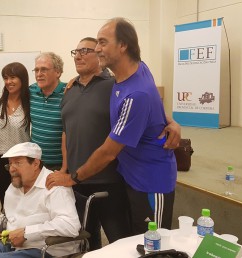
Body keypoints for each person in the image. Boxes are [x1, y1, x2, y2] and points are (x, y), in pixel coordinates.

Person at [46, 17, 179, 236]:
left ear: (123, 45)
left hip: (150, 182)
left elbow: (108, 152)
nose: (97, 49)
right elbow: (153, 102)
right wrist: (170, 120)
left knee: (154, 243)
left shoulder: (135, 94)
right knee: (134, 240)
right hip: (130, 175)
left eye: (102, 42)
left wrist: (72, 178)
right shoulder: (138, 69)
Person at [61, 37, 131, 250]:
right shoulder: (69, 90)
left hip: (108, 179)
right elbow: (66, 131)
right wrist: (65, 168)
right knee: (88, 241)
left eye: (85, 50)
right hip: (78, 181)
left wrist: (170, 122)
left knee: (121, 241)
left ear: (100, 55)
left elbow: (143, 103)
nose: (79, 55)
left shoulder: (114, 86)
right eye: (76, 51)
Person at [0, 142, 81, 258]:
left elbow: (70, 225)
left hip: (47, 250)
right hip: (14, 245)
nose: (11, 169)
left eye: (17, 163)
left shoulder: (55, 186)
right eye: (10, 164)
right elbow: (8, 217)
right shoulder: (15, 186)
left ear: (35, 163)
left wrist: (27, 233)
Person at [0, 62, 31, 210]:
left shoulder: (30, 102)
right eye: (5, 78)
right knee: (5, 200)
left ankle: (23, 232)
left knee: (24, 200)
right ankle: (7, 230)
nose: (8, 82)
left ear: (22, 79)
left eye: (13, 77)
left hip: (22, 159)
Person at [29, 52, 66, 171]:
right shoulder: (31, 91)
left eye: (44, 69)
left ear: (58, 72)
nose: (39, 74)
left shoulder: (69, 92)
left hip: (61, 164)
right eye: (36, 70)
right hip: (36, 161)